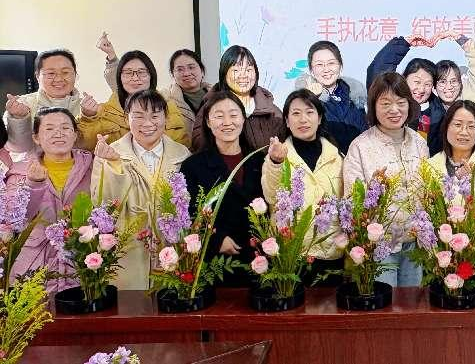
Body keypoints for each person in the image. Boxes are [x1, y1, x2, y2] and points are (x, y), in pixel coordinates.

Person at [92, 90, 190, 290]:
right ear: (126, 119)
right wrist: (114, 165)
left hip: (171, 252)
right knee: (131, 306)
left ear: (166, 118)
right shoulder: (108, 153)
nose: (147, 123)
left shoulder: (183, 154)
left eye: (155, 116)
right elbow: (102, 206)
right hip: (128, 253)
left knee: (170, 303)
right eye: (138, 116)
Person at [343, 72, 430, 287]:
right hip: (380, 246)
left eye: (401, 102)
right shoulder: (360, 146)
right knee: (386, 303)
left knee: (412, 303)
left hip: (415, 243)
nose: (394, 110)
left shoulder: (419, 143)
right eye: (385, 103)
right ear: (374, 106)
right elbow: (352, 200)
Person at [179, 91, 265, 287]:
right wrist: (216, 240)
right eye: (219, 116)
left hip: (258, 259)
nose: (227, 122)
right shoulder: (193, 166)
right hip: (214, 264)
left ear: (243, 119)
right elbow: (188, 214)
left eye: (233, 115)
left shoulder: (260, 160)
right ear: (208, 122)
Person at [262, 89, 345, 285]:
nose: (303, 119)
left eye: (309, 112)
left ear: (320, 118)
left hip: (331, 252)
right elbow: (271, 196)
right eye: (296, 113)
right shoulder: (277, 155)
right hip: (291, 254)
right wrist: (276, 162)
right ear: (287, 121)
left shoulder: (337, 157)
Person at [14, 108, 92, 291]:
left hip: (83, 265)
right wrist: (33, 185)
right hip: (34, 267)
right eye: (49, 129)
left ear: (75, 135)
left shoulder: (94, 166)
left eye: (65, 128)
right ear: (36, 138)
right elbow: (17, 220)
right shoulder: (20, 170)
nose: (59, 133)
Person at [428, 100, 475, 279]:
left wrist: (469, 183)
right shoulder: (430, 166)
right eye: (458, 125)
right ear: (446, 127)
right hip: (439, 262)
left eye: (471, 126)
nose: (464, 132)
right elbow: (427, 213)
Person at [97, 34, 211, 140]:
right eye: (179, 69)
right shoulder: (168, 97)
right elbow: (124, 85)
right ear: (172, 74)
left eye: (191, 67)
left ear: (202, 70)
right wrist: (112, 58)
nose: (186, 73)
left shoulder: (215, 93)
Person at [78, 50, 189, 150]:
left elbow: (182, 144)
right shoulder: (103, 112)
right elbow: (84, 145)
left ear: (151, 75)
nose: (135, 78)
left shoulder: (168, 106)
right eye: (128, 73)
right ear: (119, 77)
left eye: (141, 72)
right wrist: (87, 118)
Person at [192, 45, 284, 151]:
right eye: (236, 70)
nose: (243, 75)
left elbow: (284, 144)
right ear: (224, 74)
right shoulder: (211, 105)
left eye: (248, 70)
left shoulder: (271, 110)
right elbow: (198, 143)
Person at [295, 40, 366, 154]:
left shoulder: (355, 96)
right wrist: (310, 100)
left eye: (331, 63)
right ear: (311, 70)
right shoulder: (302, 101)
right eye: (319, 64)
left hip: (359, 160)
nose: (326, 69)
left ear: (340, 66)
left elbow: (365, 133)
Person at [4, 49, 81, 152]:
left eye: (65, 72)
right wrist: (19, 119)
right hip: (31, 162)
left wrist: (90, 118)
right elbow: (18, 148)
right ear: (37, 76)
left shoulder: (87, 108)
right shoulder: (22, 104)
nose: (59, 79)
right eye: (51, 73)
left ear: (75, 74)